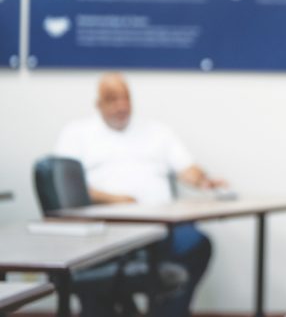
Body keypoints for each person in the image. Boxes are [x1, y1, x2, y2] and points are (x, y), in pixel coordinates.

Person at [54, 72, 225, 317]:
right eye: (112, 99)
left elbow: (187, 168)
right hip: (105, 232)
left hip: (160, 229)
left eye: (126, 98)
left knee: (198, 244)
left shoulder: (157, 132)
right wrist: (118, 200)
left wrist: (203, 180)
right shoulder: (77, 133)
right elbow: (67, 188)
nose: (121, 106)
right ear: (98, 104)